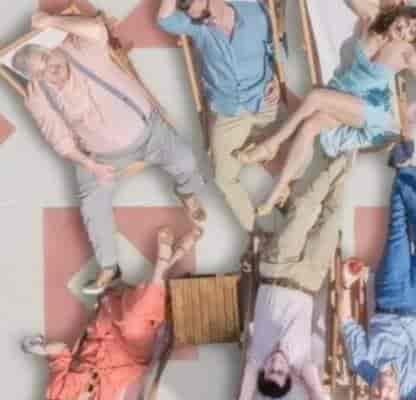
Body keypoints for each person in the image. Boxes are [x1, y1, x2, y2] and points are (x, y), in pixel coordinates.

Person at [13, 11, 207, 295]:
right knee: (92, 203)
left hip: (149, 131)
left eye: (45, 58)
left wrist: (51, 21)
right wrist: (90, 165)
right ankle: (109, 268)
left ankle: (187, 193)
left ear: (50, 48)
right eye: (40, 71)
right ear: (35, 78)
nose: (50, 69)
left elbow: (96, 30)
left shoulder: (79, 51)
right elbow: (60, 139)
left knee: (186, 160)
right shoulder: (39, 96)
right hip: (101, 156)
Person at [233, 1, 416, 216]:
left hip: (370, 109)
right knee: (309, 127)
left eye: (412, 32)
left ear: (413, 40)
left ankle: (271, 145)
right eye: (407, 21)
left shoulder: (407, 53)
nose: (405, 30)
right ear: (400, 13)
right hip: (342, 96)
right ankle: (277, 192)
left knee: (316, 97)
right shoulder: (373, 19)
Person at [21, 226, 202, 400]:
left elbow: (60, 354)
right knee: (133, 322)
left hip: (103, 329)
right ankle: (162, 266)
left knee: (135, 316)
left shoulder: (56, 394)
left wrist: (42, 349)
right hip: (131, 354)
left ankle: (164, 267)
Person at [237, 154, 356, 400]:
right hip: (310, 278)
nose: (275, 364)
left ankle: (339, 161)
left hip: (277, 269)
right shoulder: (302, 362)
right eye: (280, 372)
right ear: (290, 374)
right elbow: (317, 394)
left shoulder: (256, 355)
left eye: (269, 370)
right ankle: (345, 161)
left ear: (262, 370)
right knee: (332, 218)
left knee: (304, 209)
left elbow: (243, 397)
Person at [157, 0, 282, 232]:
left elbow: (275, 46)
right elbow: (164, 19)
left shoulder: (254, 11)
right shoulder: (200, 28)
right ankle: (257, 233)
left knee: (295, 156)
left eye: (206, 12)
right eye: (200, 17)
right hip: (230, 111)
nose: (208, 20)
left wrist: (275, 77)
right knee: (223, 178)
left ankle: (279, 189)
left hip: (264, 101)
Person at [337, 142, 416, 399]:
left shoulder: (362, 363)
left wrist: (345, 285)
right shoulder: (413, 387)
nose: (384, 391)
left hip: (391, 296)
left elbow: (346, 321)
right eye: (389, 398)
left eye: (377, 397)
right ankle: (403, 168)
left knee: (398, 228)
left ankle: (403, 166)